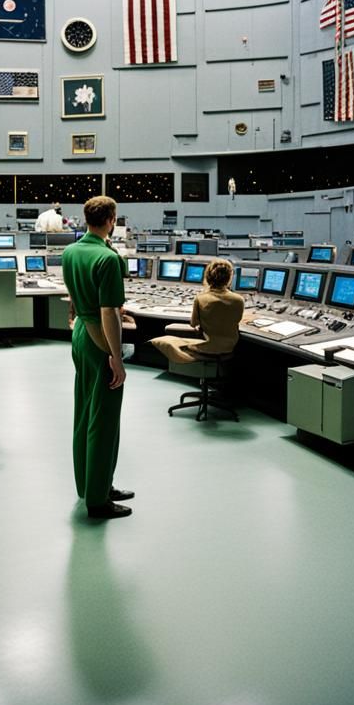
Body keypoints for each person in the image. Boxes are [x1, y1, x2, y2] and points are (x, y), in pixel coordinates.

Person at [61, 195, 133, 520]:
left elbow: (75, 299)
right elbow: (110, 314)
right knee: (104, 420)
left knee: (84, 410)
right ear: (111, 220)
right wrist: (116, 356)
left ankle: (93, 484)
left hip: (79, 334)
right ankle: (98, 501)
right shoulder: (108, 258)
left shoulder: (70, 251)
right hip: (99, 340)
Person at [150, 259, 244, 365]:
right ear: (229, 278)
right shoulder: (239, 299)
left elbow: (193, 324)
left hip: (206, 346)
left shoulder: (201, 298)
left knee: (164, 340)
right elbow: (237, 320)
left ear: (208, 276)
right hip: (229, 347)